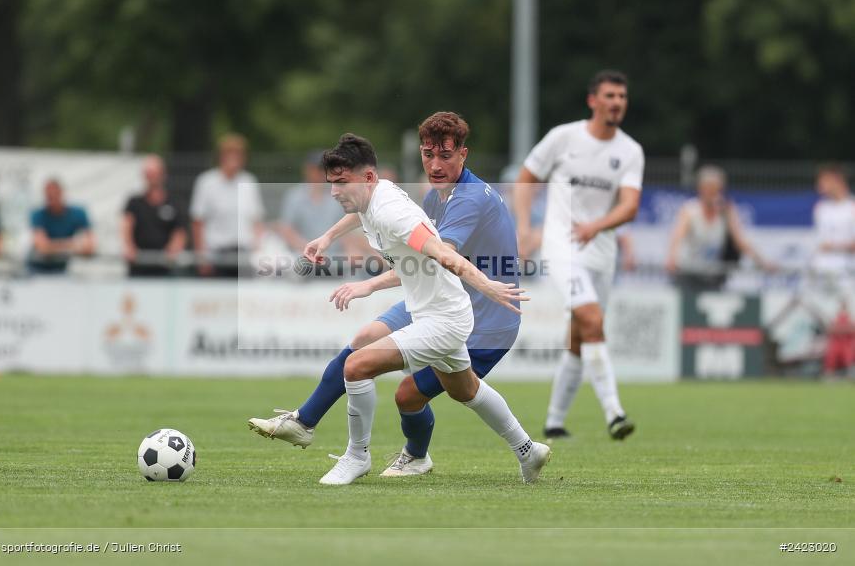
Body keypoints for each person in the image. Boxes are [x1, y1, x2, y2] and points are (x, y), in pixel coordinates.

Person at [255, 132, 550, 486]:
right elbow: (360, 211)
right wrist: (328, 237)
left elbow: (443, 254)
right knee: (465, 389)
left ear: (367, 178)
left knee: (357, 366)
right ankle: (528, 450)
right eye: (332, 183)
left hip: (444, 318)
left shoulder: (394, 213)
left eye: (341, 183)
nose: (334, 191)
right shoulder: (376, 193)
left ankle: (356, 457)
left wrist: (487, 285)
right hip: (435, 308)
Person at [513, 69, 641, 442]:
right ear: (593, 101)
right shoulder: (563, 137)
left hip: (601, 252)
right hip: (561, 247)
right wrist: (524, 227)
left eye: (622, 96)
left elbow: (630, 206)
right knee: (592, 318)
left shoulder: (630, 151)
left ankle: (554, 421)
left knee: (581, 334)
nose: (617, 102)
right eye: (610, 96)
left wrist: (596, 226)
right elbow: (525, 178)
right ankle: (615, 413)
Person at [665, 165, 773, 291]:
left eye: (716, 190)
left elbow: (741, 241)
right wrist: (671, 258)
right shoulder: (690, 210)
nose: (712, 194)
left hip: (712, 275)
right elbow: (677, 236)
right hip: (688, 272)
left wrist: (762, 262)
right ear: (701, 189)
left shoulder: (726, 211)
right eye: (709, 189)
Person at [190, 133, 264, 278]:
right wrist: (201, 257)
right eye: (230, 154)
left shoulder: (249, 181)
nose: (234, 159)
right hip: (216, 254)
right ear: (221, 156)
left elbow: (256, 220)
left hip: (244, 254)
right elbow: (198, 221)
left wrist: (258, 253)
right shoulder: (207, 182)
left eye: (239, 155)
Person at [122, 155, 188, 277]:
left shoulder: (174, 202)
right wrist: (130, 247)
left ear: (163, 174)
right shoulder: (134, 202)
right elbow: (127, 224)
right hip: (138, 266)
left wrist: (173, 249)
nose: (151, 178)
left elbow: (180, 231)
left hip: (165, 268)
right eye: (148, 174)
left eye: (154, 174)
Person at [273, 152, 347, 259]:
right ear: (307, 170)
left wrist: (351, 249)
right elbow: (286, 230)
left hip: (334, 258)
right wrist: (310, 249)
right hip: (302, 257)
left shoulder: (338, 197)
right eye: (317, 169)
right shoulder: (294, 196)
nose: (320, 173)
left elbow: (345, 231)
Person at [28, 179, 96, 274]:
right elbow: (42, 247)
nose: (53, 198)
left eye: (55, 194)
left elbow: (89, 247)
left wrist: (52, 246)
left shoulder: (78, 213)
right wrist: (74, 245)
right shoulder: (38, 215)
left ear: (62, 193)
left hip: (65, 267)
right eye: (49, 196)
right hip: (38, 267)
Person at [809, 163, 855, 293]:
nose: (819, 186)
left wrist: (834, 247)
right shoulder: (820, 208)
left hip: (847, 272)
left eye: (823, 181)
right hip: (821, 270)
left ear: (836, 180)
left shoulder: (852, 207)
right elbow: (820, 242)